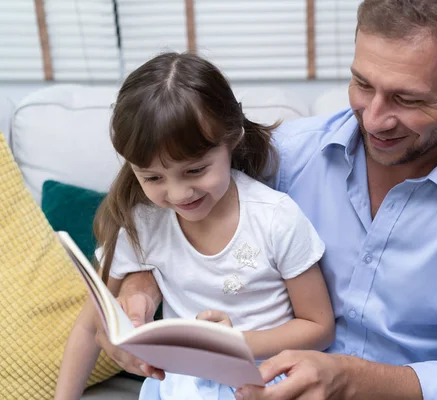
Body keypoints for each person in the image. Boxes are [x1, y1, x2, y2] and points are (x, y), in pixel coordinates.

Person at [97, 0, 437, 399]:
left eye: (406, 99)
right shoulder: (288, 156)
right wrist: (141, 282)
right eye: (362, 83)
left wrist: (353, 380)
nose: (375, 119)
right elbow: (183, 207)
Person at [54, 52, 335, 400]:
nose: (178, 194)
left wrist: (234, 344)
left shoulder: (275, 217)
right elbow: (88, 326)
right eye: (153, 177)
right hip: (180, 386)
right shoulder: (144, 222)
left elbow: (319, 326)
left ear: (231, 139)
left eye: (195, 170)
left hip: (265, 379)